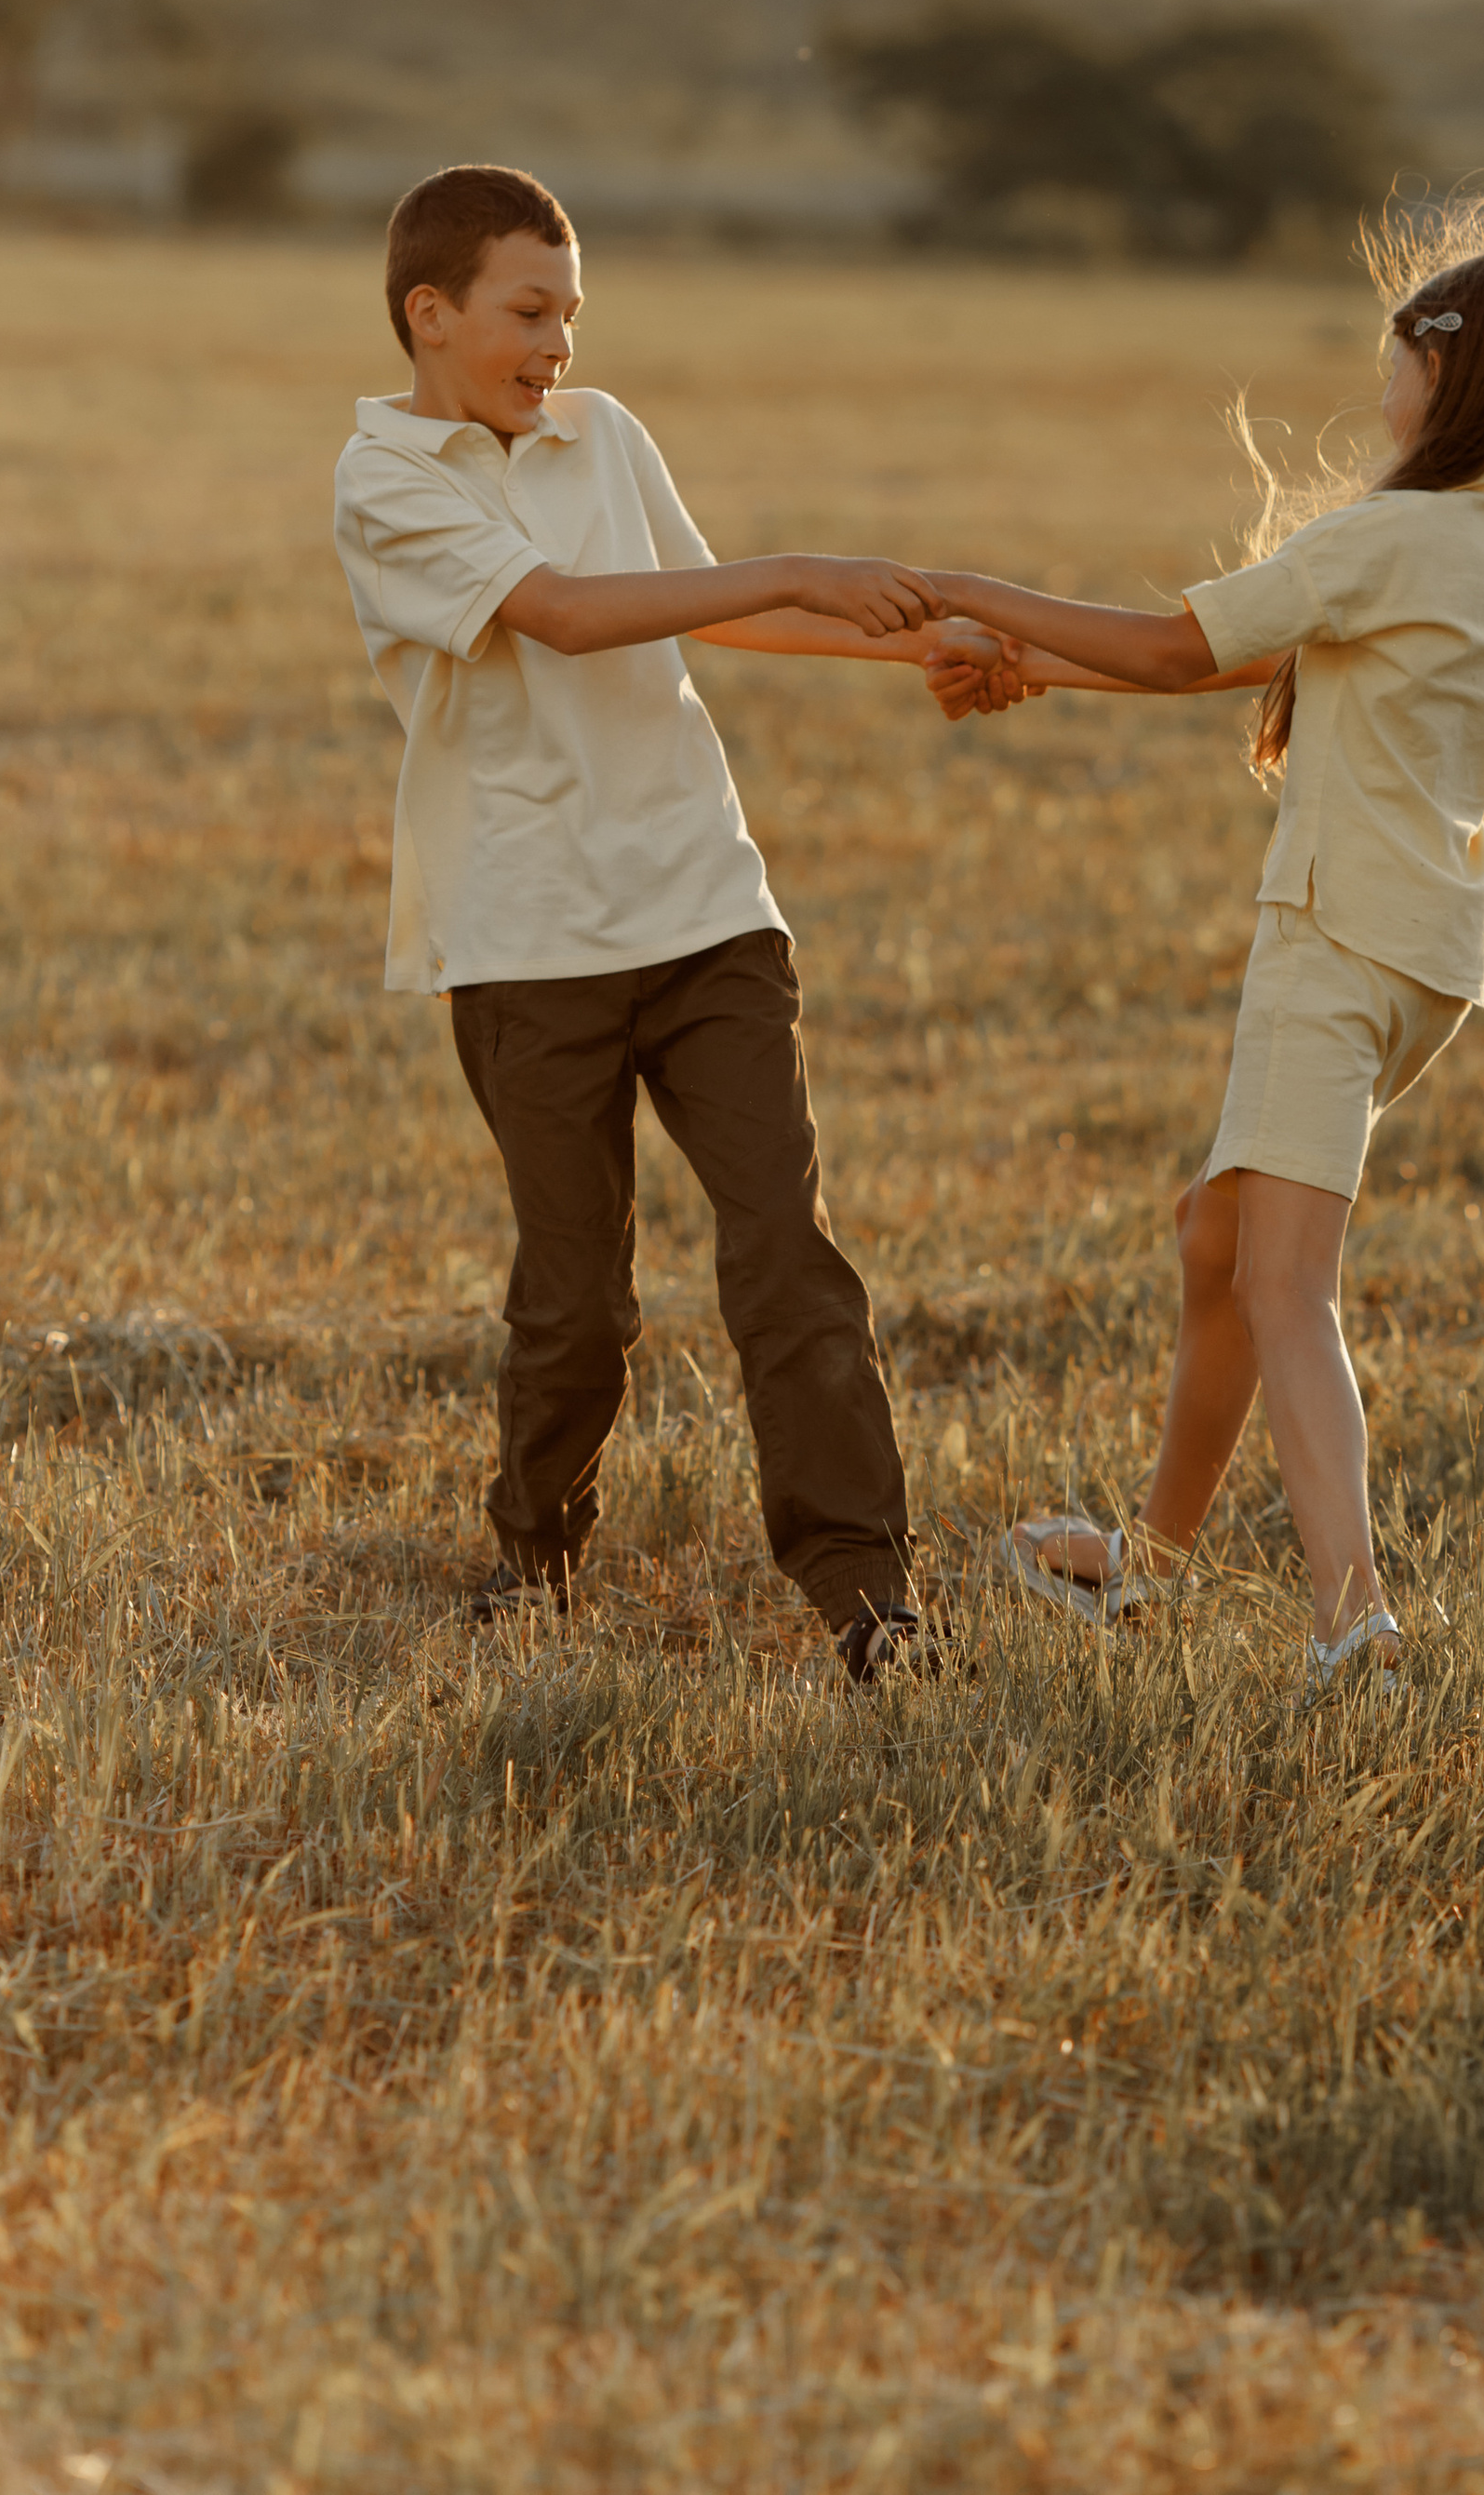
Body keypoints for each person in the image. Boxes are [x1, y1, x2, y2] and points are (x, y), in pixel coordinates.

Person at [923, 179, 1484, 1697]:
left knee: (1284, 1282)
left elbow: (1182, 643)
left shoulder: (1399, 534)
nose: (1381, 385)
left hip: (1333, 939)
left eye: (1399, 355)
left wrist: (968, 596)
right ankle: (1150, 1568)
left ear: (1441, 374)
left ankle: (1354, 1623)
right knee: (1220, 1239)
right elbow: (1203, 669)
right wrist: (1037, 669)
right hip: (1422, 954)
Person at [331, 164, 1002, 1679]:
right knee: (577, 1307)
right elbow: (567, 610)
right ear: (430, 317)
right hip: (527, 945)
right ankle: (535, 1558)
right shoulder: (384, 480)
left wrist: (910, 644)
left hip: (706, 914)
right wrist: (802, 563)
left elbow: (702, 606)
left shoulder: (602, 432)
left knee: (790, 1262)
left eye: (571, 312)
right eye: (528, 310)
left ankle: (868, 1598)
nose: (558, 341)